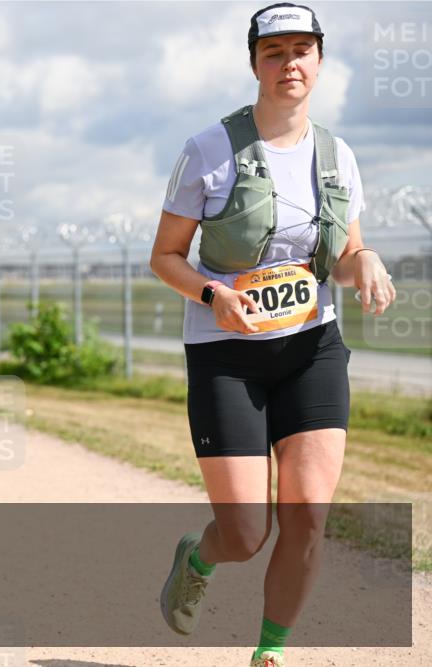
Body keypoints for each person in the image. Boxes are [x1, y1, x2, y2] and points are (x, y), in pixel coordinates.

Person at [149, 4, 395, 667]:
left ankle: (270, 651)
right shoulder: (208, 150)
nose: (289, 63)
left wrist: (363, 260)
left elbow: (342, 257)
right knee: (246, 530)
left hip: (311, 347)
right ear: (254, 62)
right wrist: (214, 293)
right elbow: (165, 255)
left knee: (308, 513)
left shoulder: (338, 155)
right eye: (274, 51)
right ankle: (198, 558)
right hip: (225, 354)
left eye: (301, 50)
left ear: (319, 59)